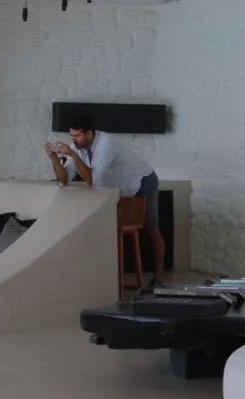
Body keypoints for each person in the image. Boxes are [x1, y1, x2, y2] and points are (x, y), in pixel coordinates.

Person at [44, 114, 167, 287]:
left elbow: (93, 180)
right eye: (72, 136)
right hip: (119, 187)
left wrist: (72, 154)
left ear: (89, 134)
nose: (74, 140)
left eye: (78, 136)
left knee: (151, 227)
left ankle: (160, 278)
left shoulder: (106, 144)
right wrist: (54, 159)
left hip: (142, 180)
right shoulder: (76, 146)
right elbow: (64, 180)